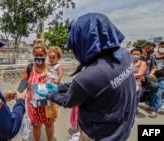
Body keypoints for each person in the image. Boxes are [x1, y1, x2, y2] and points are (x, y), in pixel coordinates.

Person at [37, 13, 136, 141]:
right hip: (122, 128)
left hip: (98, 135)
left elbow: (68, 101)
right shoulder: (125, 57)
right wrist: (59, 88)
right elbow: (90, 87)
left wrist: (49, 94)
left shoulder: (89, 75)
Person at [20, 40, 55, 141]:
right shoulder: (29, 68)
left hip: (49, 103)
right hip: (34, 104)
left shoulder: (51, 68)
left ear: (45, 54)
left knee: (49, 124)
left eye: (41, 54)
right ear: (33, 55)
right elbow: (22, 86)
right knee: (36, 125)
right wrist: (18, 97)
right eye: (36, 55)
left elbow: (57, 83)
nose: (39, 57)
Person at [148, 41, 164, 118]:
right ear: (158, 47)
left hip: (162, 78)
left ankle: (155, 110)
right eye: (161, 46)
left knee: (158, 94)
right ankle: (151, 106)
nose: (162, 48)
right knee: (151, 93)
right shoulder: (153, 56)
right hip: (152, 78)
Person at [131, 48, 147, 114]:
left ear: (140, 55)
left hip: (137, 84)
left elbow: (140, 74)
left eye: (137, 54)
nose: (135, 55)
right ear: (131, 54)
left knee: (134, 99)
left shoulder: (142, 63)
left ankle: (133, 112)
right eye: (134, 54)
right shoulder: (127, 61)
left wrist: (126, 75)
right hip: (127, 84)